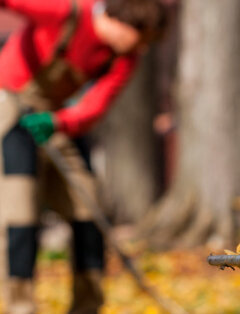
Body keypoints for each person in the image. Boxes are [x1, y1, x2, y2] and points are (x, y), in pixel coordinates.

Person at [0, 0, 166, 312]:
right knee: (19, 213)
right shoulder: (66, 13)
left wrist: (59, 122)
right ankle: (19, 306)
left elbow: (95, 105)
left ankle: (87, 304)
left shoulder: (125, 57)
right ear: (124, 22)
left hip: (56, 118)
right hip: (11, 109)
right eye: (141, 38)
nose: (142, 47)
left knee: (89, 210)